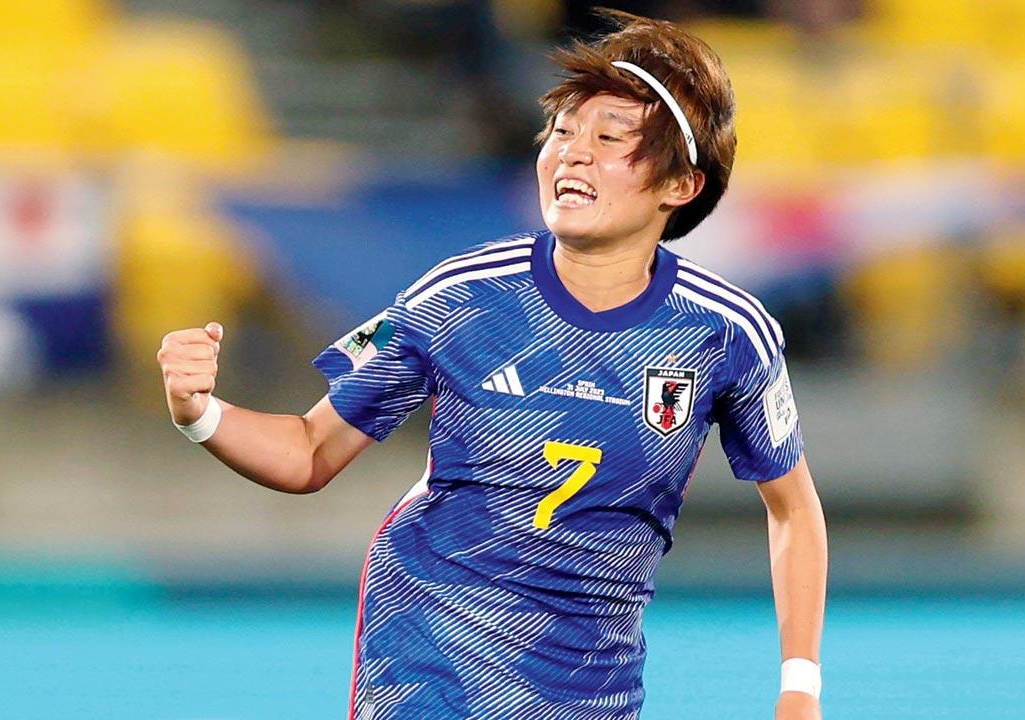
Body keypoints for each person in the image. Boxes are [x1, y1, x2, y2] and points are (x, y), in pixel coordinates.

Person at [157, 10, 827, 720]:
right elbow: (308, 454)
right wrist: (200, 411)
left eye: (608, 139)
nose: (572, 153)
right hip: (427, 661)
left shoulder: (725, 333)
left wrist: (799, 686)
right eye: (563, 132)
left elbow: (793, 511)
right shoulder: (461, 296)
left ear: (681, 186)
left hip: (590, 686)